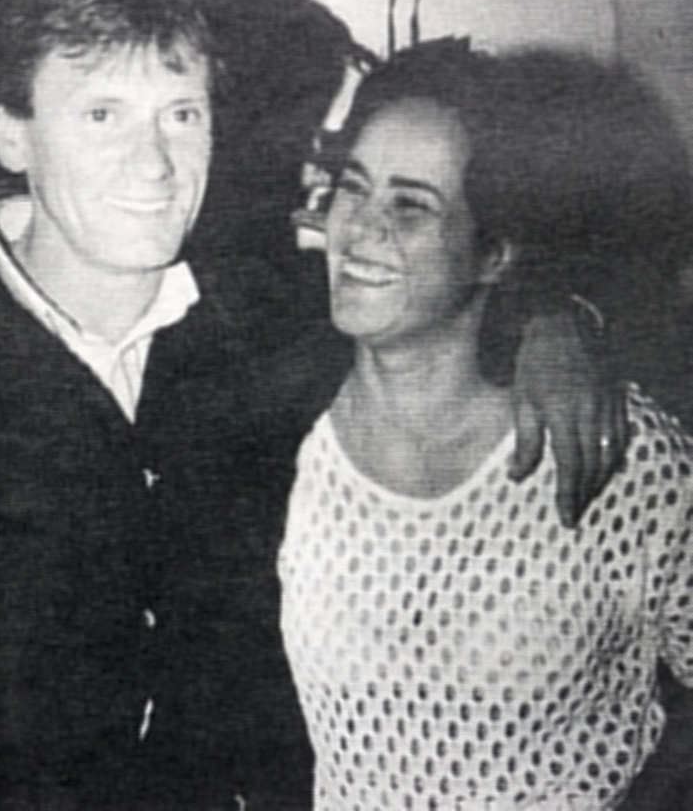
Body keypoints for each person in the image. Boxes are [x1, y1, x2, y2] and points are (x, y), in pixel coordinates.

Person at [0, 0, 627, 810]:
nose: (154, 165)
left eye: (181, 114)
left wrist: (556, 324)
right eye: (102, 114)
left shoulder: (262, 314)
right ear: (13, 136)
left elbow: (446, 293)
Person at [275, 45, 693, 810]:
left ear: (494, 254)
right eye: (353, 188)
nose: (360, 228)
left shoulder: (616, 454)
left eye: (411, 206)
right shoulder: (276, 437)